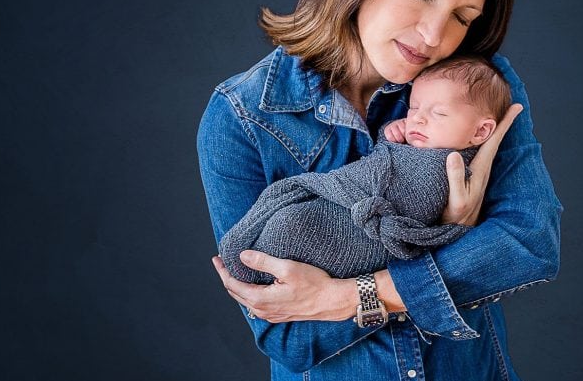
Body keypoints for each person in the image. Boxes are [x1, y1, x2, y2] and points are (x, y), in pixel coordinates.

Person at [197, 0, 562, 381]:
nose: (435, 36)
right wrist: (454, 227)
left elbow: (530, 241)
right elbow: (280, 330)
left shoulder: (476, 90)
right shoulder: (241, 118)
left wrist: (347, 295)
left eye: (463, 16)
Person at [218, 55, 512, 285]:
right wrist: (391, 135)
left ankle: (275, 250)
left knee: (294, 226)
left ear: (480, 131)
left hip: (370, 229)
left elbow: (415, 199)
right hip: (349, 201)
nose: (418, 121)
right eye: (414, 108)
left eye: (438, 113)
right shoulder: (235, 111)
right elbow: (383, 161)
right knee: (292, 217)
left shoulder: (459, 164)